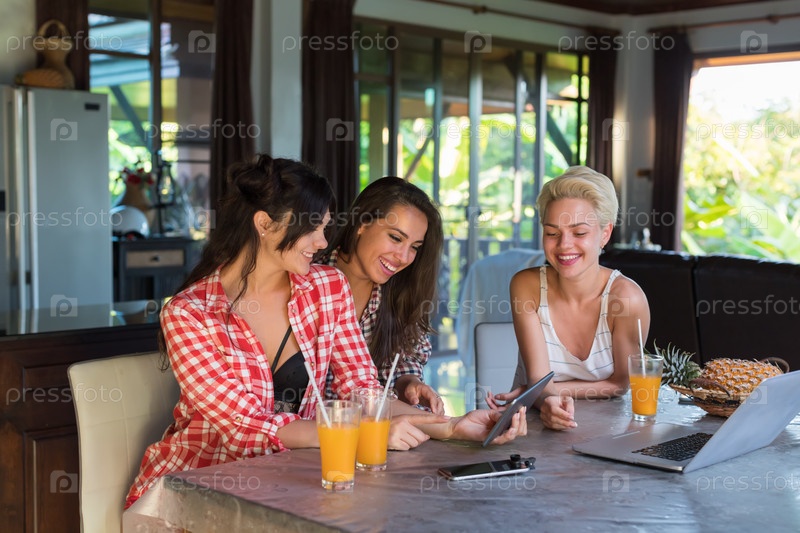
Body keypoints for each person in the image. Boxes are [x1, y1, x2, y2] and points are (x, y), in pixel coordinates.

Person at [124, 155, 526, 508]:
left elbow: (363, 391)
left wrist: (451, 426)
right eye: (313, 228)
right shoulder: (189, 313)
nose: (322, 241)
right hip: (195, 486)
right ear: (264, 224)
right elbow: (243, 429)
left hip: (287, 480)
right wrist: (362, 433)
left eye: (326, 227)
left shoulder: (326, 287)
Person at [488, 166, 650, 431]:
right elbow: (539, 378)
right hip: (531, 428)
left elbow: (621, 383)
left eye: (579, 233)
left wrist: (540, 391)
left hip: (608, 429)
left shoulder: (626, 300)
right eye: (552, 233)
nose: (564, 245)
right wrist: (544, 397)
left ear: (605, 234)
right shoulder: (526, 286)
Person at [321, 177, 445, 414]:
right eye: (396, 238)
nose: (403, 257)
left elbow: (401, 363)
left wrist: (410, 384)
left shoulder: (401, 292)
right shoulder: (307, 281)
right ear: (362, 223)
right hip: (311, 430)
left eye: (415, 247)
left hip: (375, 427)